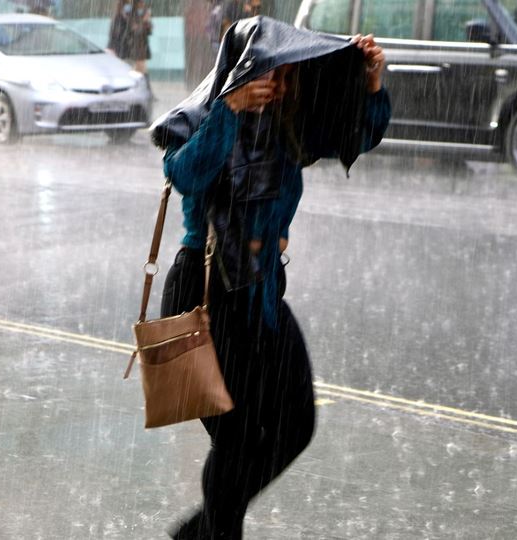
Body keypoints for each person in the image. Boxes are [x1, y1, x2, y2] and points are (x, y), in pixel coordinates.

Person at [151, 17, 390, 540]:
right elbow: (184, 173)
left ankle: (201, 532)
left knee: (295, 423)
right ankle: (216, 531)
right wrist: (230, 111)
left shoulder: (289, 124)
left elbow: (355, 134)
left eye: (285, 73)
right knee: (238, 439)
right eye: (267, 72)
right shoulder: (206, 115)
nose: (278, 84)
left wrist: (371, 84)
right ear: (240, 70)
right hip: (206, 295)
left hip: (260, 292)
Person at [107, 0, 153, 76]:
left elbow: (147, 31)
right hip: (128, 50)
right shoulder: (123, 15)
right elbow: (132, 29)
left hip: (138, 50)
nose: (142, 4)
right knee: (132, 74)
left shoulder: (137, 13)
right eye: (141, 3)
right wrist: (143, 21)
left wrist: (146, 22)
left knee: (140, 73)